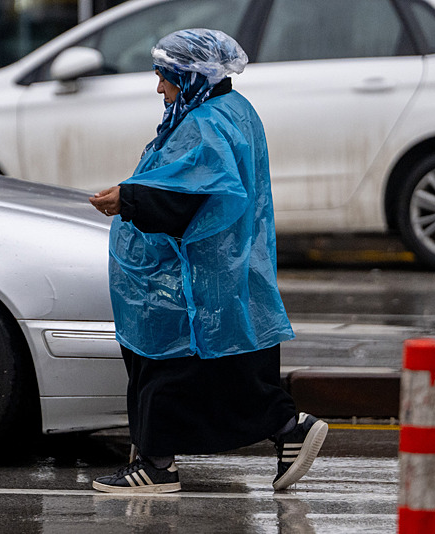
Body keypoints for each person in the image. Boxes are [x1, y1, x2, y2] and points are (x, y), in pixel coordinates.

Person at [89, 28, 327, 493]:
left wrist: (128, 200)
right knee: (220, 373)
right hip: (224, 272)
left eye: (165, 78)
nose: (160, 88)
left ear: (191, 76)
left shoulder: (205, 123)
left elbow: (191, 196)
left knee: (167, 365)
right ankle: (282, 430)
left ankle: (160, 465)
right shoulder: (232, 109)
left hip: (186, 282)